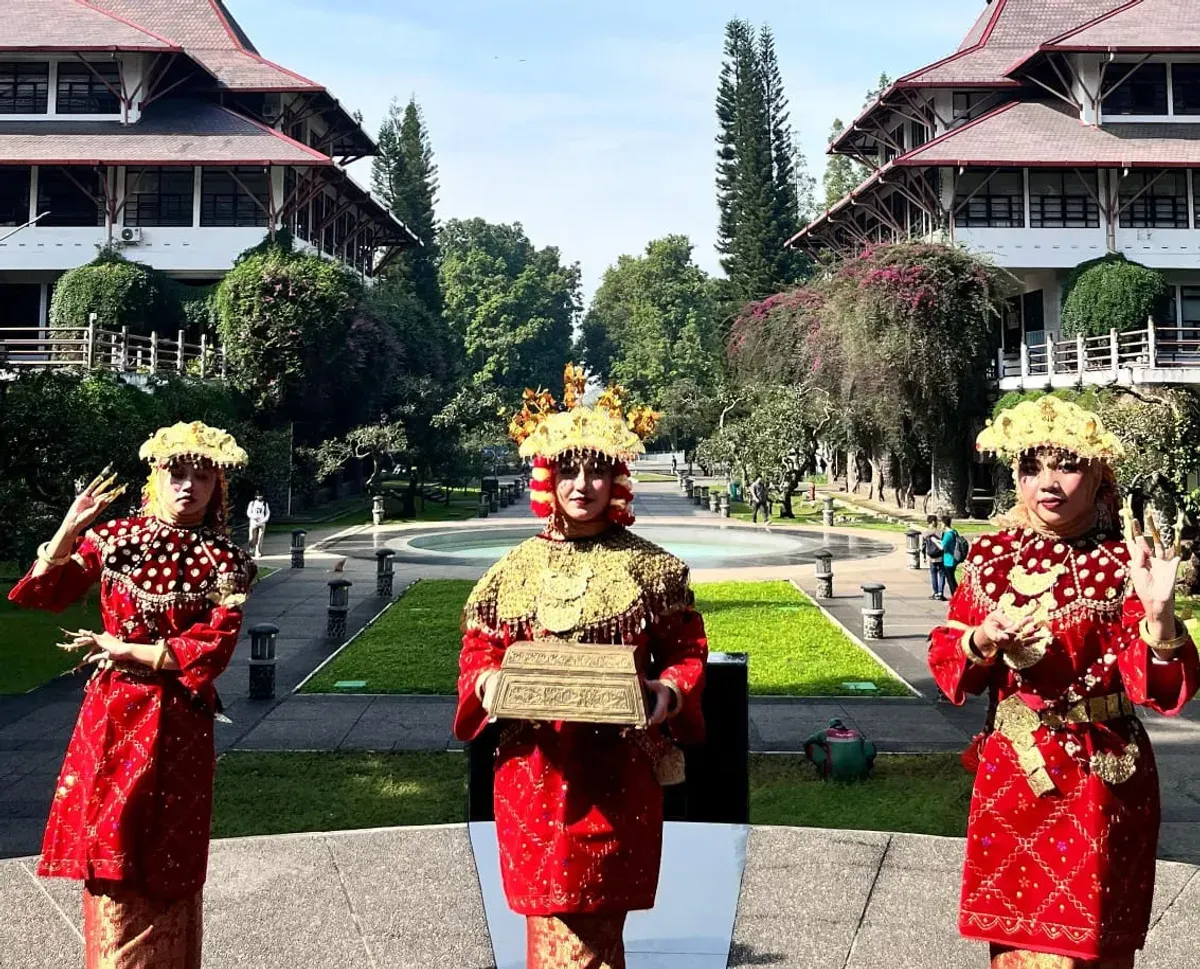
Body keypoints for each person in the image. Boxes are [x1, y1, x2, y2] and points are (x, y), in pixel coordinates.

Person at [928, 397, 1199, 968]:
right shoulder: (992, 554)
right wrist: (979, 640)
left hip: (1099, 780)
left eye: (1066, 465)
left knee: (1092, 949)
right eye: (1031, 468)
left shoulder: (1127, 561)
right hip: (1013, 779)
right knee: (1020, 950)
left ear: (1099, 473)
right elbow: (947, 655)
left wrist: (1159, 617)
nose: (1047, 484)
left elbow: (1159, 687)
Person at [454, 366, 708, 969]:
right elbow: (477, 652)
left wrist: (666, 693)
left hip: (616, 775)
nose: (583, 484)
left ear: (618, 477)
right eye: (569, 469)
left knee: (591, 933)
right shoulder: (511, 570)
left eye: (598, 469)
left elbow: (686, 653)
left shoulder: (656, 570)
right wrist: (488, 681)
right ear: (548, 476)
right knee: (551, 925)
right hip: (533, 774)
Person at [7, 420, 255, 969]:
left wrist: (126, 650)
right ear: (156, 477)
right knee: (111, 845)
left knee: (172, 855)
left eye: (203, 477)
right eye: (177, 473)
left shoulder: (228, 561)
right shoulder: (114, 539)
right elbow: (44, 594)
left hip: (182, 721)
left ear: (218, 488)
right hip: (115, 716)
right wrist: (70, 528)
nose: (188, 486)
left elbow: (212, 648)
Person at [921, 514, 945, 600]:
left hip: (931, 558)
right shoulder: (941, 533)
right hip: (940, 557)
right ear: (934, 522)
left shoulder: (925, 533)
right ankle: (940, 593)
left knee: (933, 575)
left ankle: (935, 592)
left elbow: (923, 546)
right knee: (942, 575)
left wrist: (924, 556)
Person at [939, 513, 961, 597]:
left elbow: (942, 547)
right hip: (954, 558)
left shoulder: (947, 534)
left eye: (941, 523)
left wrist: (934, 541)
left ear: (944, 524)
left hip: (948, 560)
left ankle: (955, 596)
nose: (940, 525)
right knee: (952, 579)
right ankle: (957, 595)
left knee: (950, 580)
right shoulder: (954, 532)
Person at [247, 491, 270, 558]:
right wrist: (254, 517)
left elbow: (268, 512)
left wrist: (264, 520)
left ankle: (258, 551)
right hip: (254, 522)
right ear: (255, 496)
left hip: (262, 522)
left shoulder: (265, 503)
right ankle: (251, 548)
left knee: (260, 538)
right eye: (258, 495)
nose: (259, 497)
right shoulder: (252, 503)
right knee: (252, 537)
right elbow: (248, 512)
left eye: (260, 495)